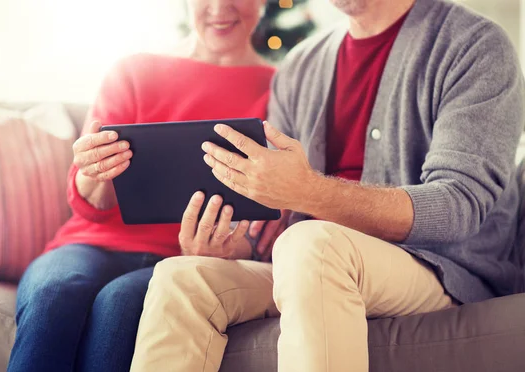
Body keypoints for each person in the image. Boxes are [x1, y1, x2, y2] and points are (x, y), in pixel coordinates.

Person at [130, 0, 525, 371]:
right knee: (181, 276)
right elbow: (279, 216)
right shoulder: (301, 64)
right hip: (315, 261)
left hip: (440, 268)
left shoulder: (475, 46)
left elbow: (459, 208)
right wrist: (238, 245)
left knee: (311, 245)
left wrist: (307, 190)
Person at [7, 0, 273, 371]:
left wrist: (227, 250)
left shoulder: (281, 88)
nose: (219, 8)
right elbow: (88, 204)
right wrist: (94, 169)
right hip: (91, 243)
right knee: (56, 290)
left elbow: (270, 217)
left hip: (181, 261)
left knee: (121, 304)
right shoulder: (134, 71)